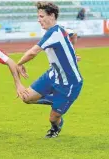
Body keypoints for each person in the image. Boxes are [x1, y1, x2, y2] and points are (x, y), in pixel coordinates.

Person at [17, 2, 83, 138]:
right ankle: (55, 101)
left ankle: (55, 128)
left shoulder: (54, 33)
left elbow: (33, 53)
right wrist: (70, 54)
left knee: (53, 118)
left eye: (41, 16)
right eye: (38, 16)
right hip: (52, 75)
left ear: (52, 15)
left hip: (69, 84)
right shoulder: (59, 29)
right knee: (26, 97)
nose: (38, 20)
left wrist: (19, 64)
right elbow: (73, 34)